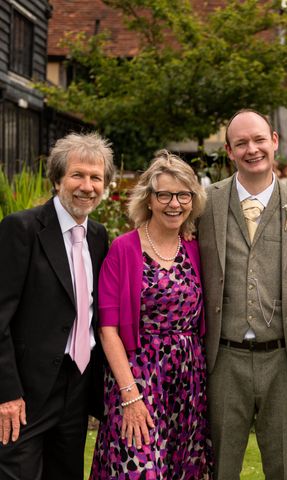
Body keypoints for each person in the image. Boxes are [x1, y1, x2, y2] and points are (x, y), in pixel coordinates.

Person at [199, 109, 287, 479]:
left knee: (282, 467)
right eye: (241, 143)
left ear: (274, 141)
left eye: (259, 139)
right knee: (221, 468)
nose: (252, 149)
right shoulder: (205, 204)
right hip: (224, 358)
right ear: (229, 151)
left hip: (284, 357)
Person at [89, 151, 212, 478]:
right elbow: (108, 330)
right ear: (149, 199)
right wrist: (130, 395)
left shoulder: (195, 249)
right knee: (137, 467)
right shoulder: (124, 249)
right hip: (139, 379)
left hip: (188, 385)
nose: (175, 204)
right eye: (165, 195)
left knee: (180, 469)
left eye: (183, 195)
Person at [0, 132, 114, 479]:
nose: (87, 185)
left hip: (77, 385)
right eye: (78, 174)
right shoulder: (20, 229)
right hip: (27, 390)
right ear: (57, 179)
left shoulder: (98, 236)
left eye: (96, 177)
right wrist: (7, 393)